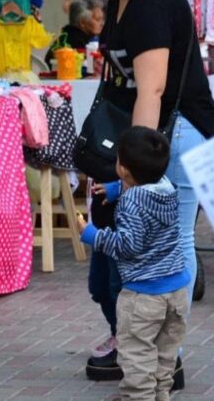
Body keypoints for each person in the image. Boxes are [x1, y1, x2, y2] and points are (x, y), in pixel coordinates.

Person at [85, 0, 214, 388]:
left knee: (171, 243)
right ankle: (145, 344)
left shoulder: (150, 1)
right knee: (157, 244)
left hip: (174, 134)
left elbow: (152, 89)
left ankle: (169, 356)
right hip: (160, 133)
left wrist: (134, 171)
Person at [79, 127, 189, 401]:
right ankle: (160, 395)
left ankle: (139, 398)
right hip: (176, 293)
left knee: (137, 356)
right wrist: (119, 187)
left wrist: (92, 235)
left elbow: (127, 246)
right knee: (164, 356)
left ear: (124, 170)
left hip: (144, 296)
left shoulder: (131, 202)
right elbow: (146, 188)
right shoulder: (167, 188)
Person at [45, 0, 104, 67]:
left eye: (102, 19)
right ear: (82, 23)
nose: (102, 23)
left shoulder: (67, 35)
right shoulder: (75, 42)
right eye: (97, 19)